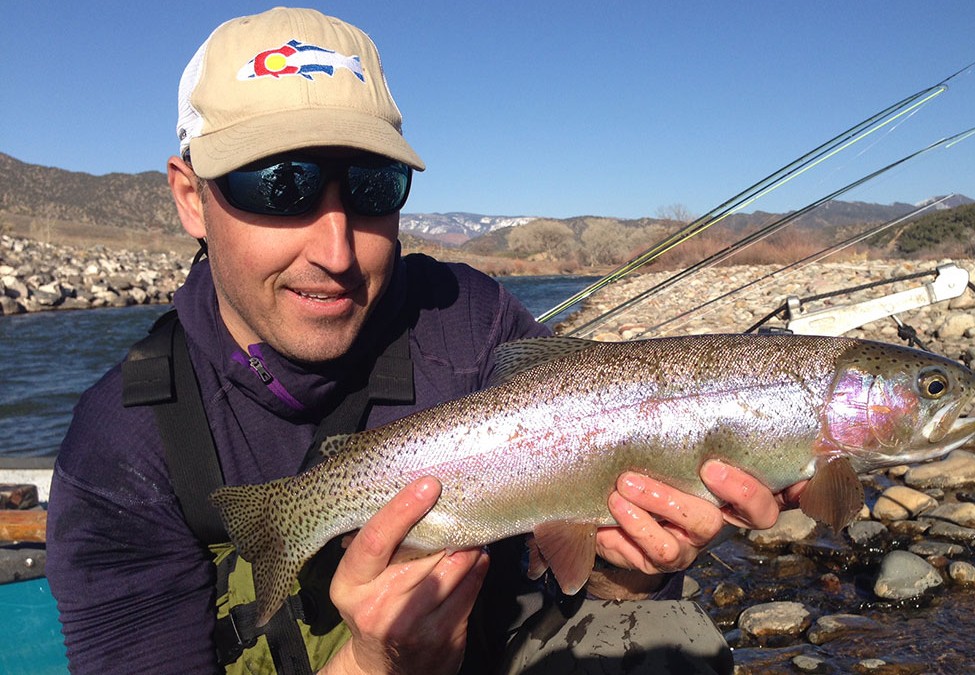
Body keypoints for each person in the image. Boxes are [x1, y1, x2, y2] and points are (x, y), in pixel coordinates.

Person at [46, 7, 799, 674]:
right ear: (191, 198)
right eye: (281, 187)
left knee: (664, 633)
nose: (336, 249)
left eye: (372, 187)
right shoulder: (123, 447)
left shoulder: (467, 317)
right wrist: (378, 665)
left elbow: (580, 579)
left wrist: (628, 569)